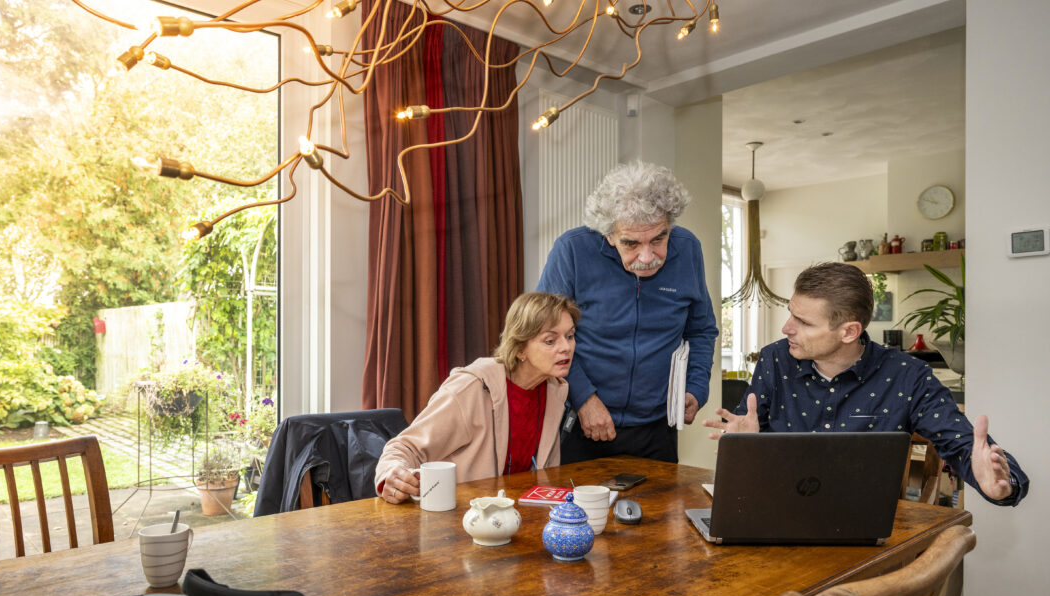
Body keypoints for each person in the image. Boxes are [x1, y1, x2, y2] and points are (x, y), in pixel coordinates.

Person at [703, 262, 1028, 506]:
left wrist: (1001, 482)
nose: (786, 327)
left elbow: (962, 445)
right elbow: (743, 431)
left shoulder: (907, 376)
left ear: (848, 332)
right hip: (773, 513)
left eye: (802, 322)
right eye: (791, 314)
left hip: (863, 532)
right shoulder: (775, 360)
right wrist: (742, 445)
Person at [537, 161, 718, 464]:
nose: (647, 257)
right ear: (608, 234)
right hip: (581, 423)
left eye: (658, 239)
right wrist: (583, 398)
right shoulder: (572, 251)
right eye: (631, 243)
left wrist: (696, 387)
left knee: (659, 511)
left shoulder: (688, 250)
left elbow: (701, 330)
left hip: (657, 428)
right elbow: (546, 337)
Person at [376, 292, 580, 504]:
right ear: (520, 349)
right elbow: (403, 448)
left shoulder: (555, 390)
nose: (566, 347)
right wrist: (392, 475)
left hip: (516, 516)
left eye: (570, 336)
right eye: (550, 340)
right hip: (459, 518)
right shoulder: (471, 388)